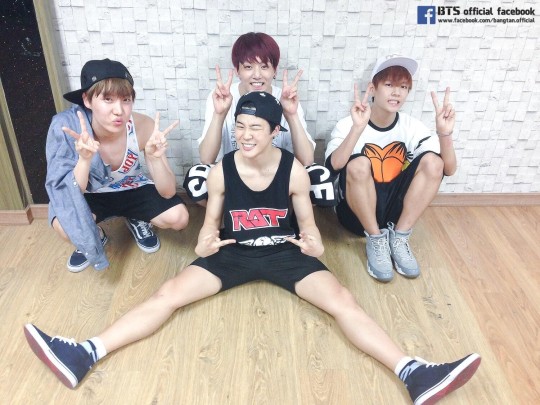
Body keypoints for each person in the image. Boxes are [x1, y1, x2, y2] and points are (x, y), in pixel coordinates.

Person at [25, 92, 480, 405]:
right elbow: (208, 228)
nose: (245, 135)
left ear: (275, 131)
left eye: (255, 128)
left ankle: (412, 372)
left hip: (284, 252)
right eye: (240, 126)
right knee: (167, 296)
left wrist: (312, 243)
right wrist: (205, 240)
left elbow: (311, 231)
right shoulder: (222, 170)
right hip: (232, 251)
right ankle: (85, 353)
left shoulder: (294, 171)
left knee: (343, 301)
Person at [46, 58, 189, 272]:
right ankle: (95, 235)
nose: (119, 110)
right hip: (92, 195)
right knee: (66, 226)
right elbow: (71, 192)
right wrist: (84, 160)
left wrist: (155, 158)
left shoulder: (142, 126)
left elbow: (168, 192)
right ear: (87, 100)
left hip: (132, 188)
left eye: (126, 99)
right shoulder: (68, 128)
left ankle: (137, 218)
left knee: (179, 218)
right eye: (108, 99)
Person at [325, 54, 457, 282]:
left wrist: (444, 133)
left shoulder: (411, 126)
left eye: (403, 87)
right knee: (358, 164)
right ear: (373, 88)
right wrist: (357, 129)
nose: (396, 92)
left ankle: (399, 238)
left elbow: (449, 169)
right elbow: (333, 167)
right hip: (356, 216)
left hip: (394, 215)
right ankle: (375, 240)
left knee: (434, 162)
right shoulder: (348, 124)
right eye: (389, 85)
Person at [183, 32, 335, 207]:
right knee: (197, 176)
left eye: (264, 66)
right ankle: (231, 217)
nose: (257, 75)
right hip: (236, 173)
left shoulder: (285, 97)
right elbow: (206, 158)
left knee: (319, 178)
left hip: (277, 174)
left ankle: (285, 217)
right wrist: (220, 114)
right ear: (237, 70)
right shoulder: (222, 96)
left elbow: (307, 160)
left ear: (274, 70)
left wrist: (290, 114)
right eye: (248, 67)